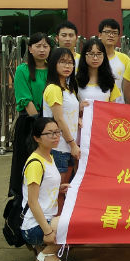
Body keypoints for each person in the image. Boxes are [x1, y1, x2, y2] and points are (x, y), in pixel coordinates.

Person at [20, 117, 70, 261]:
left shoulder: (49, 156)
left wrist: (58, 188)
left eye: (57, 132)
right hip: (34, 226)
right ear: (37, 138)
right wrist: (48, 232)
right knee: (76, 224)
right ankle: (45, 255)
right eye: (49, 133)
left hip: (47, 219)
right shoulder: (36, 164)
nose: (55, 136)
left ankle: (42, 249)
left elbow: (43, 185)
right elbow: (32, 202)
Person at [8, 32, 53, 196]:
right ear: (30, 49)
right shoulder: (22, 70)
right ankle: (24, 201)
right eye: (38, 46)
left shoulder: (53, 69)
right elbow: (25, 100)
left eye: (45, 46)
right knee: (28, 163)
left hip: (51, 123)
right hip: (30, 123)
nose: (42, 50)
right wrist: (41, 126)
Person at [43, 47, 81, 207]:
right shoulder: (54, 88)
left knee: (65, 190)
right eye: (62, 62)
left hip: (67, 147)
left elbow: (67, 113)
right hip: (59, 147)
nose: (67, 66)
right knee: (58, 192)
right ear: (54, 64)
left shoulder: (68, 88)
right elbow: (59, 118)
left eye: (70, 63)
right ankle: (54, 222)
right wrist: (72, 144)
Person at [76, 37, 121, 103]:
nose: (95, 58)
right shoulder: (76, 81)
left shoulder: (109, 81)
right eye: (91, 54)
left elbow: (113, 106)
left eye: (99, 54)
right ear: (84, 56)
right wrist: (79, 107)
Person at [98, 18, 130, 104]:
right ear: (100, 35)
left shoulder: (124, 59)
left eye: (114, 33)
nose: (111, 35)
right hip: (98, 105)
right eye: (107, 32)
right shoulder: (92, 58)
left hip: (119, 105)